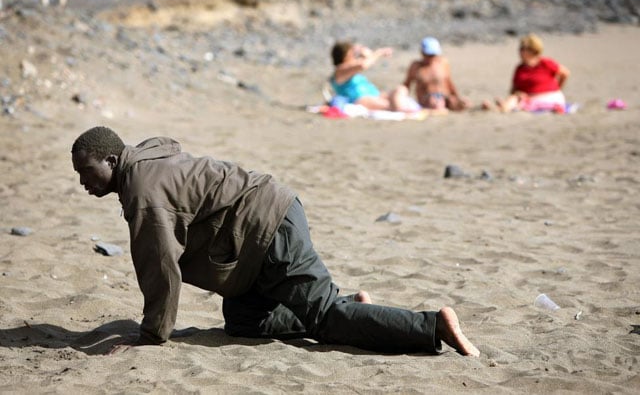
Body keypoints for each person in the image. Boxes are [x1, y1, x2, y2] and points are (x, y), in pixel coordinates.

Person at [71, 126, 480, 357]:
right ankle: (353, 310)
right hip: (250, 242)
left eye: (87, 172)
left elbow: (160, 268)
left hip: (267, 228)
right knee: (245, 321)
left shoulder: (143, 190)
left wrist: (150, 336)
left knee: (323, 320)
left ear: (111, 160)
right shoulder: (143, 160)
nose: (84, 183)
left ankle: (433, 326)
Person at [330, 41, 421, 112]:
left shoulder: (351, 69)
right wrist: (379, 53)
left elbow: (365, 60)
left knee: (401, 89)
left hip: (375, 95)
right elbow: (363, 65)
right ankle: (402, 109)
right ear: (345, 56)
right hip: (360, 99)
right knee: (389, 105)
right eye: (352, 54)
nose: (354, 57)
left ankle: (402, 107)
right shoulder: (340, 70)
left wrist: (362, 51)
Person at [494, 33, 570, 113]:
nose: (520, 52)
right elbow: (514, 89)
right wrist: (519, 94)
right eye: (520, 49)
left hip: (550, 96)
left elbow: (565, 73)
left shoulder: (545, 63)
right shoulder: (520, 68)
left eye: (523, 49)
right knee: (515, 98)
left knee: (514, 100)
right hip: (530, 98)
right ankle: (503, 106)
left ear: (533, 50)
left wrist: (558, 88)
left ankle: (500, 108)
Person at [399, 36, 470, 112]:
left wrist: (456, 97)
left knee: (463, 103)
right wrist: (401, 99)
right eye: (428, 55)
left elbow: (448, 82)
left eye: (433, 55)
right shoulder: (416, 66)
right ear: (422, 53)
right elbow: (406, 85)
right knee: (434, 102)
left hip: (444, 96)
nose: (430, 58)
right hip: (427, 99)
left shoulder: (443, 63)